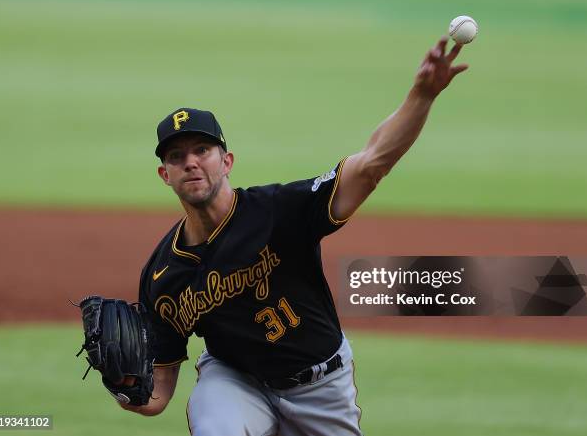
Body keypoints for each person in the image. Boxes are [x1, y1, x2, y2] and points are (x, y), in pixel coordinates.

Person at [118, 36, 468, 435]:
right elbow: (156, 395)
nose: (191, 163)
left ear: (227, 161)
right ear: (166, 175)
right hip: (236, 382)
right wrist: (123, 386)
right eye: (176, 157)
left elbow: (371, 164)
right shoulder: (164, 275)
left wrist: (421, 96)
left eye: (202, 150)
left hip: (322, 387)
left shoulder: (279, 210)